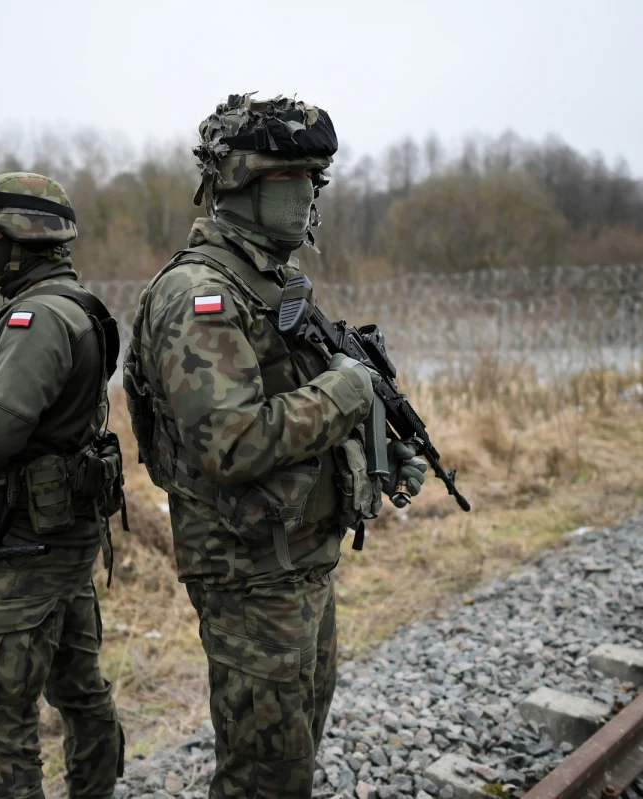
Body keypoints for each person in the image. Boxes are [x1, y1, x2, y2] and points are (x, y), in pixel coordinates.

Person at [122, 96, 428, 797]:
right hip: (249, 574)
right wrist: (347, 391)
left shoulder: (271, 280)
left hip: (298, 560)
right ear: (244, 182)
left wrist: (377, 448)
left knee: (293, 757)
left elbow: (300, 397)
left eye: (319, 179)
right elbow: (231, 442)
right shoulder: (200, 294)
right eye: (300, 178)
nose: (314, 196)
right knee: (264, 776)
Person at [0, 172, 125, 799]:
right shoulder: (79, 305)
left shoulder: (36, 318)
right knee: (80, 690)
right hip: (64, 538)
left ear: (24, 238)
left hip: (26, 549)